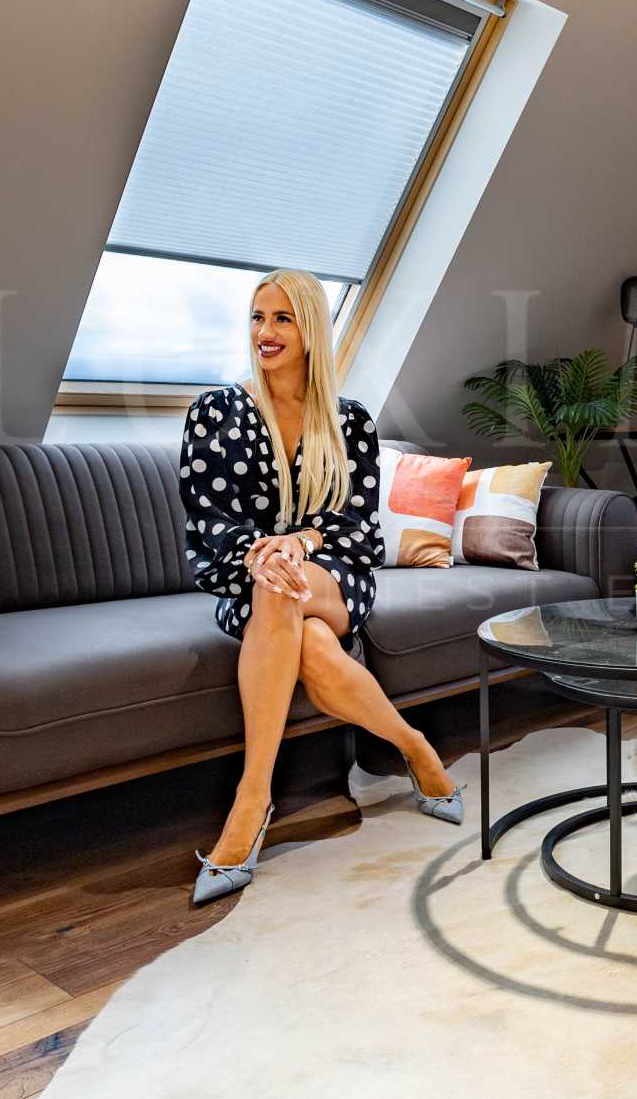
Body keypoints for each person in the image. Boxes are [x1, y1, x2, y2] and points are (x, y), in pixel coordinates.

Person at [178, 268, 464, 905]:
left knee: (286, 587)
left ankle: (251, 801)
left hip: (334, 574)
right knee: (300, 630)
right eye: (258, 317)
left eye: (282, 318)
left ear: (310, 329)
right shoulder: (214, 413)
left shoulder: (349, 420)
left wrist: (299, 543)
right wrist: (259, 554)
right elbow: (208, 517)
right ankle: (416, 747)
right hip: (249, 581)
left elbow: (356, 523)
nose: (266, 331)